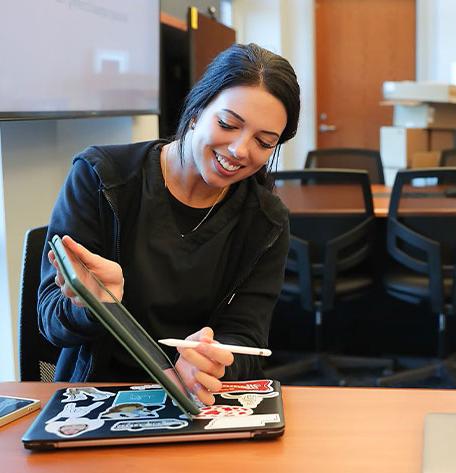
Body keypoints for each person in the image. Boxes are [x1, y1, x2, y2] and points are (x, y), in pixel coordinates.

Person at [39, 43, 300, 405]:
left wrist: (212, 362)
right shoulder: (101, 177)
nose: (241, 150)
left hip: (198, 398)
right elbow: (49, 320)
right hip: (101, 396)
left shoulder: (266, 220)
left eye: (263, 142)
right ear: (196, 111)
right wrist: (91, 303)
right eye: (227, 124)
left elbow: (246, 336)